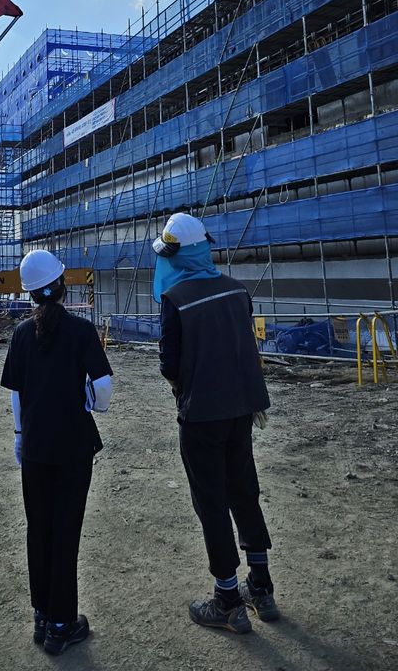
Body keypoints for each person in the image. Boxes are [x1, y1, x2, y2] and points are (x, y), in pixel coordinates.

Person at [153, 212, 278, 634]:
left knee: (211, 502)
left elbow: (169, 364)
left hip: (201, 413)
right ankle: (261, 585)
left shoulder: (177, 300)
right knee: (245, 491)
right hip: (242, 409)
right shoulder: (237, 291)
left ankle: (226, 599)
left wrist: (183, 388)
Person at [0, 249, 113, 655]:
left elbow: (17, 392)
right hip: (73, 447)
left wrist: (18, 434)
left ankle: (42, 616)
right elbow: (103, 391)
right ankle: (63, 623)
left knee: (39, 530)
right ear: (63, 286)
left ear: (30, 294)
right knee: (66, 533)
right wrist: (90, 404)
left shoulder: (21, 334)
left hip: (34, 447)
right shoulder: (81, 331)